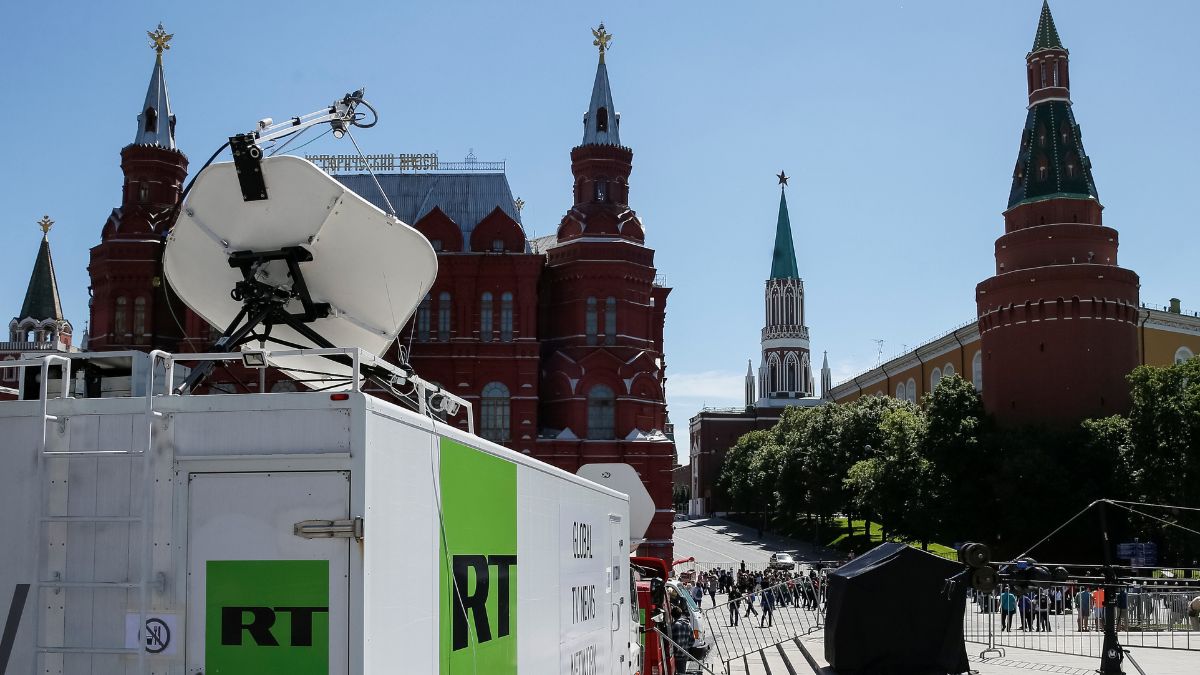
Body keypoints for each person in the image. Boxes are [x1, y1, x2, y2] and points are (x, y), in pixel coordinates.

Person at [669, 606, 694, 673]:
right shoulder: (688, 624)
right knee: (682, 671)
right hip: (684, 654)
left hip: (675, 654)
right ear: (681, 614)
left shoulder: (673, 626)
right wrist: (686, 646)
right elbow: (692, 641)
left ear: (672, 615)